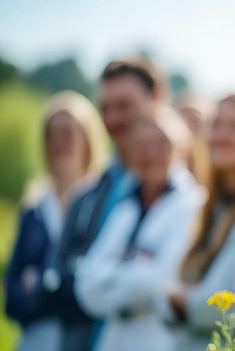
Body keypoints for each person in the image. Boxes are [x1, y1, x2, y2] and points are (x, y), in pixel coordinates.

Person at [36, 56, 169, 351]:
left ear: (158, 99)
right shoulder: (87, 196)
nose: (112, 120)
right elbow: (55, 285)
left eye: (124, 106)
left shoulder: (185, 191)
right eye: (105, 109)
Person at [74, 107, 205, 351]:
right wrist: (137, 265)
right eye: (141, 146)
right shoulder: (125, 207)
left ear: (178, 147)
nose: (150, 154)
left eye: (160, 144)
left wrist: (116, 270)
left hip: (160, 339)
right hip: (113, 339)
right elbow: (86, 283)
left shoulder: (194, 205)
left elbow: (160, 278)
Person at [157, 94, 235, 350]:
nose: (221, 135)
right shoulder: (206, 208)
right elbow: (162, 295)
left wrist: (183, 299)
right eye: (216, 125)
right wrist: (179, 298)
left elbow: (224, 305)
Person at [5, 90, 108, 351]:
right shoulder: (34, 208)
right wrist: (60, 288)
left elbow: (92, 294)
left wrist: (40, 285)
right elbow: (11, 299)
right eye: (51, 134)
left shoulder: (102, 203)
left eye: (67, 133)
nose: (58, 143)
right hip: (34, 342)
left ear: (87, 138)